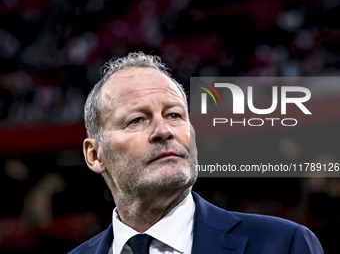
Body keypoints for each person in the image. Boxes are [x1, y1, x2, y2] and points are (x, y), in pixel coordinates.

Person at [69, 52, 324, 254]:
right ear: (94, 155)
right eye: (136, 120)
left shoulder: (283, 245)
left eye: (174, 115)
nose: (164, 130)